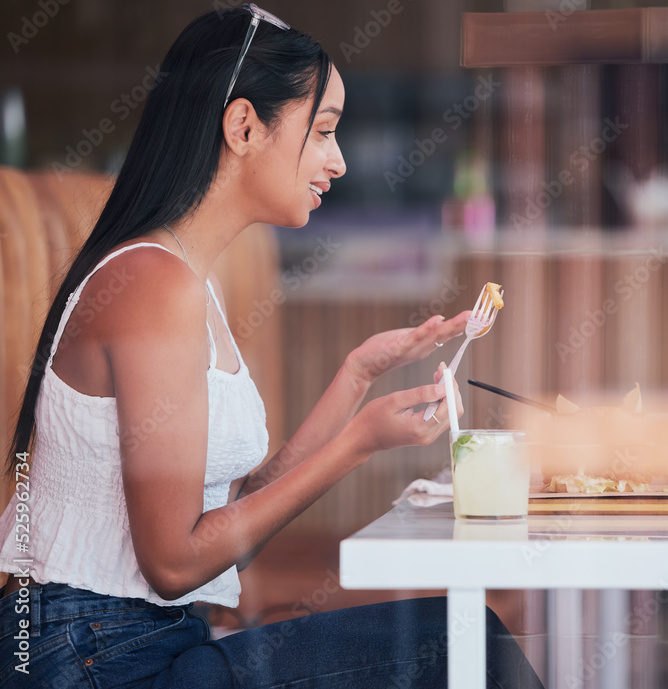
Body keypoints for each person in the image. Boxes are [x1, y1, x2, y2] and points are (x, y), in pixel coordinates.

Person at [0, 5, 543, 688]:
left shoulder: (185, 281)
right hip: (92, 658)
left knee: (469, 638)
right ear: (244, 125)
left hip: (136, 640)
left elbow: (225, 528)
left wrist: (357, 376)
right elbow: (174, 562)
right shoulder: (151, 284)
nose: (338, 161)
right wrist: (358, 444)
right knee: (467, 644)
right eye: (322, 131)